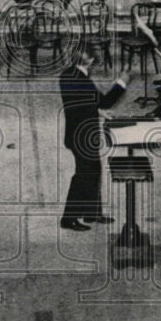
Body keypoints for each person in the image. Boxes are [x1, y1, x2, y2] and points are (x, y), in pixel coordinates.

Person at [57, 44, 129, 231]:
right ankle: (68, 218)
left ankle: (91, 212)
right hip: (83, 137)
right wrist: (121, 82)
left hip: (75, 133)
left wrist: (98, 111)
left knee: (94, 170)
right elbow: (105, 100)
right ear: (89, 60)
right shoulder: (83, 81)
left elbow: (80, 102)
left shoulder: (67, 75)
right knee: (84, 175)